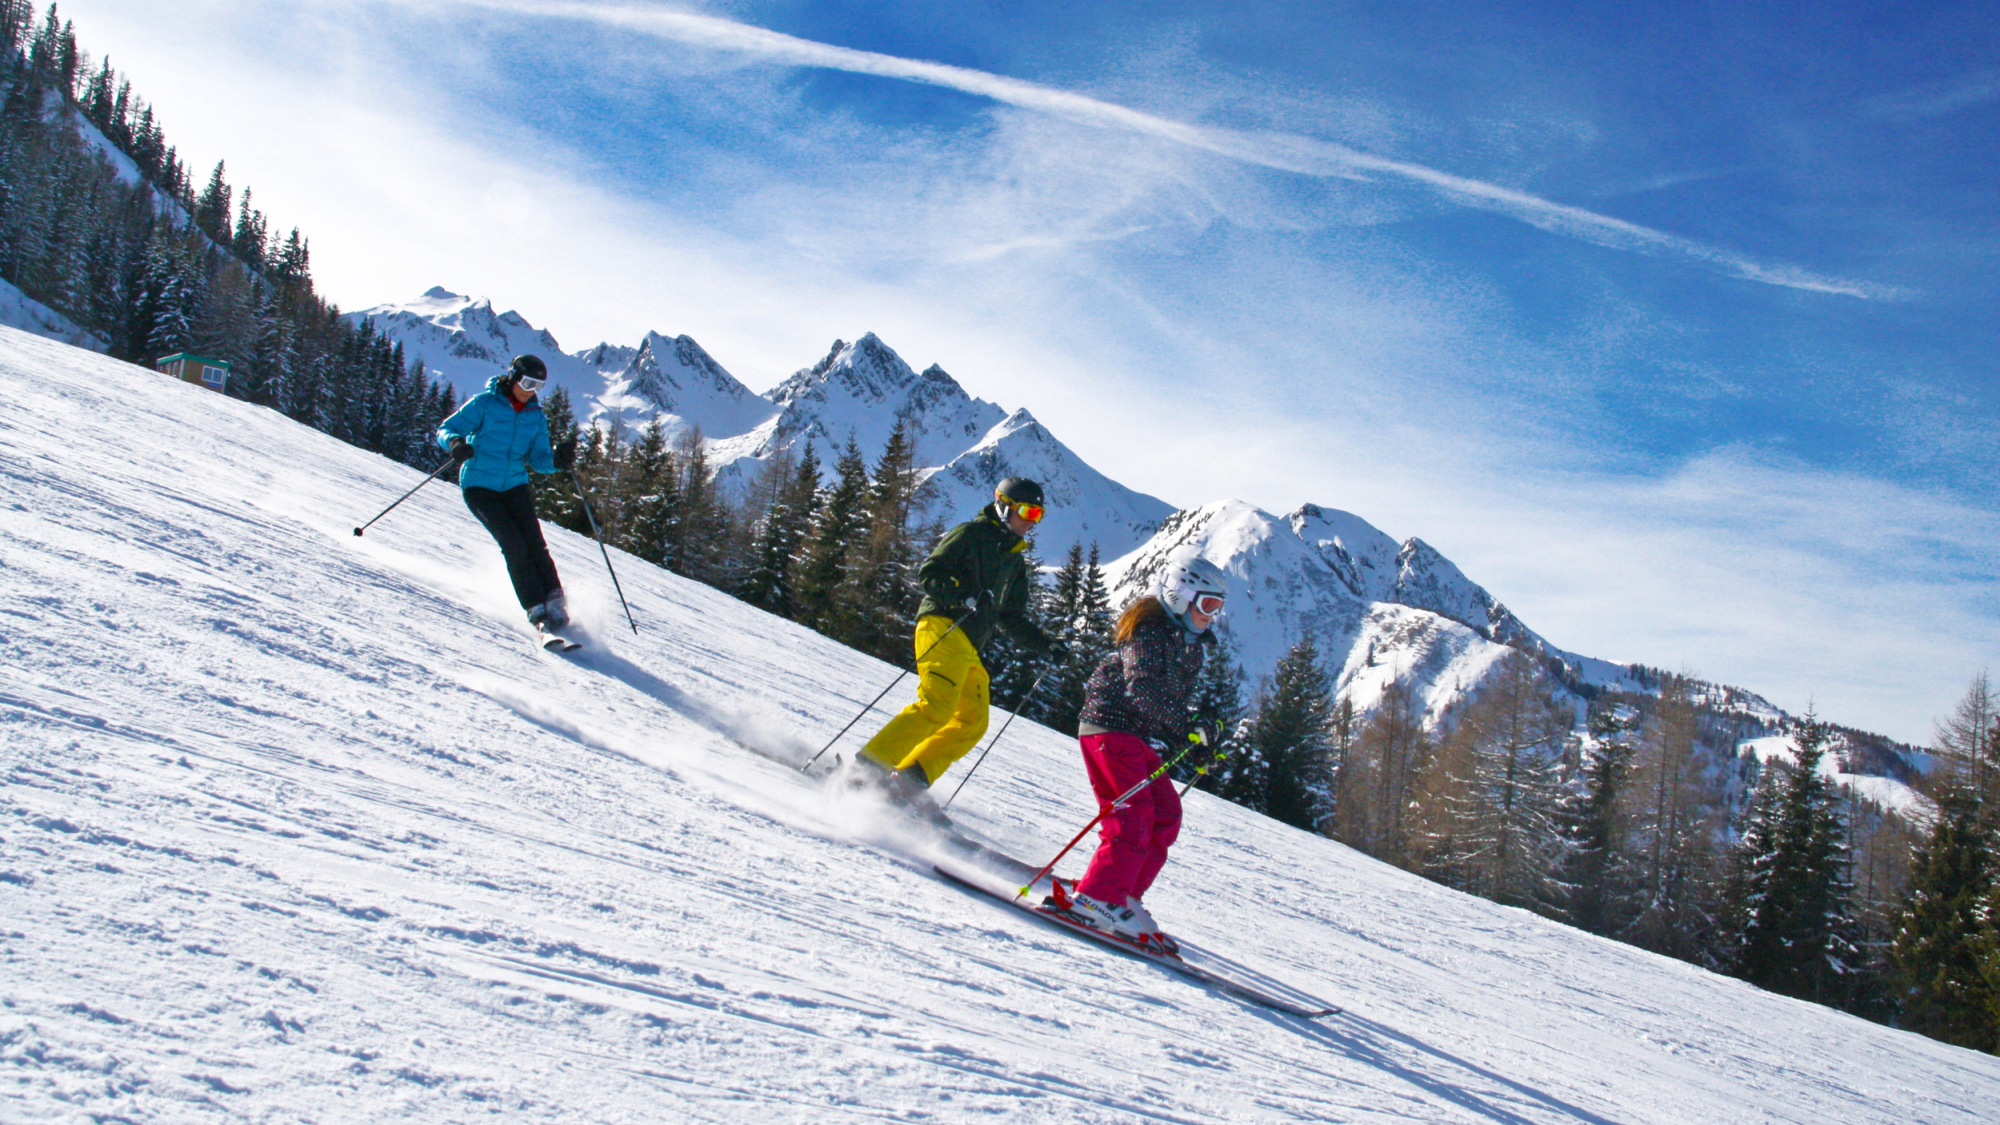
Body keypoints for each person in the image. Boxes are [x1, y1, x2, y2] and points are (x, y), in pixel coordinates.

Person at [854, 477, 1057, 810]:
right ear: (1003, 506)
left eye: (1038, 514)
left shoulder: (1014, 561)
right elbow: (931, 572)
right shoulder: (971, 534)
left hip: (969, 644)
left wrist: (1047, 645)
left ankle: (908, 780)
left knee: (973, 721)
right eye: (1026, 511)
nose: (1030, 521)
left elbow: (1011, 617)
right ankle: (866, 771)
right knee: (937, 705)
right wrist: (962, 594)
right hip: (943, 624)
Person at [1063, 545, 1227, 952]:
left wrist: (1193, 743)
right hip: (1109, 728)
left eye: (1218, 607)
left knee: (1167, 813)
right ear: (1179, 594)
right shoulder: (1149, 629)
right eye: (1207, 603)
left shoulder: (1190, 645)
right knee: (1133, 814)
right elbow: (1143, 689)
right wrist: (1188, 725)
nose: (1211, 614)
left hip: (1133, 735)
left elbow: (1165, 707)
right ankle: (1097, 897)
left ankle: (1122, 897)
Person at [437, 354, 577, 631]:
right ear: (512, 377)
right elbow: (447, 428)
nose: (530, 390)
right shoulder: (485, 404)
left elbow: (538, 458)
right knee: (514, 545)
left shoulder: (535, 416)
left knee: (535, 544)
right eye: (527, 382)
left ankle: (555, 602)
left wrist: (557, 461)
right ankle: (536, 609)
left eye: (538, 386)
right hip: (479, 486)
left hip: (515, 485)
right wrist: (454, 444)